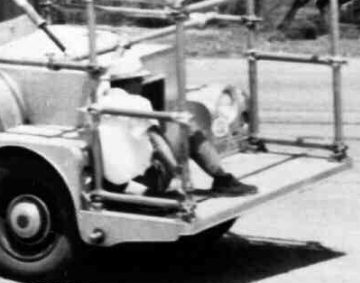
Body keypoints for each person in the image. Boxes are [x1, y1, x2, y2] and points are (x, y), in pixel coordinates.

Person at [96, 54, 257, 198]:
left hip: (115, 182)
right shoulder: (137, 103)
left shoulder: (100, 104)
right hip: (147, 180)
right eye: (139, 81)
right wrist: (176, 173)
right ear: (130, 82)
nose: (141, 85)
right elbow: (157, 141)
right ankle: (223, 179)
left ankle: (221, 178)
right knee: (187, 127)